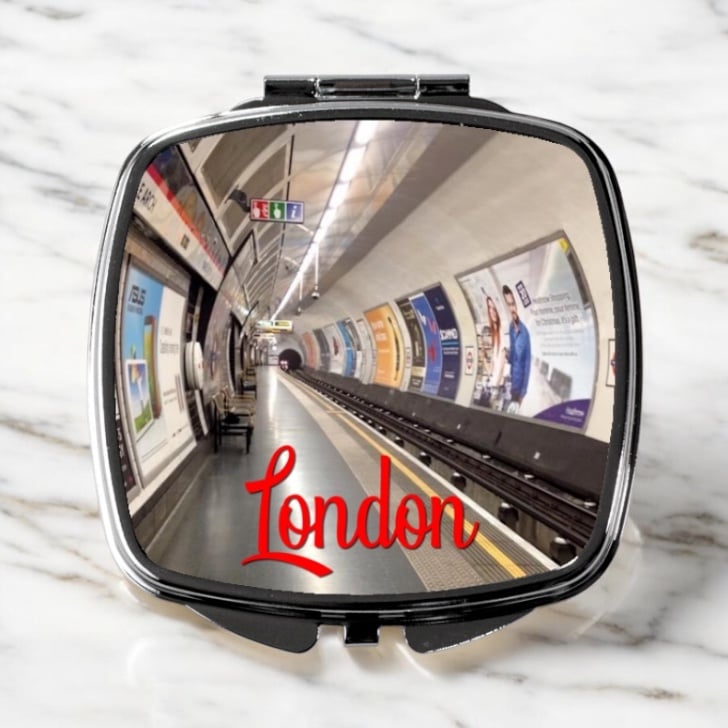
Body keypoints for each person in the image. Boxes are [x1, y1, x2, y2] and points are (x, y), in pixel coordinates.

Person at [502, 284, 531, 412]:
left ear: (516, 305)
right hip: (510, 384)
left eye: (513, 304)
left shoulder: (524, 333)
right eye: (508, 305)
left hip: (518, 390)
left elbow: (527, 365)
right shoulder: (510, 328)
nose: (512, 308)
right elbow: (514, 357)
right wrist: (507, 355)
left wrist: (522, 395)